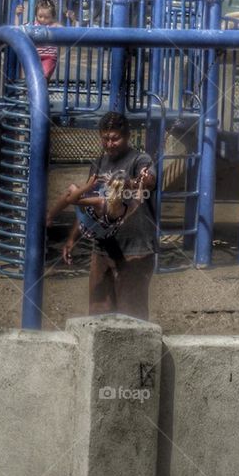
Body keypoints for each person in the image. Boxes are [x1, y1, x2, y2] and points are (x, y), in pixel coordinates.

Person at [47, 112, 158, 320]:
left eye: (115, 138)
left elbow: (148, 180)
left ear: (127, 137)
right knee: (99, 314)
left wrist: (136, 181)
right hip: (102, 250)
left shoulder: (139, 159)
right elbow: (85, 209)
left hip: (135, 251)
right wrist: (72, 239)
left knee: (131, 315)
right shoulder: (99, 163)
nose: (109, 144)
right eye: (105, 138)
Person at [14, 0, 77, 80]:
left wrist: (73, 21)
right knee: (32, 78)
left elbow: (70, 33)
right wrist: (17, 15)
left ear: (53, 16)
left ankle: (42, 91)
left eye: (47, 17)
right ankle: (31, 92)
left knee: (44, 77)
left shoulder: (55, 26)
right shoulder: (32, 24)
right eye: (40, 16)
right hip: (33, 56)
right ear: (36, 14)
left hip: (49, 57)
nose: (43, 19)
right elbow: (18, 30)